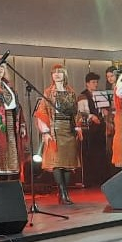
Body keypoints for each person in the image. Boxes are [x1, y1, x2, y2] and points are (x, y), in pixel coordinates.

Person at [35, 65, 81, 204]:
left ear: (64, 74)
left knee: (67, 163)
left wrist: (77, 127)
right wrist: (45, 131)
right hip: (55, 129)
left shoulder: (71, 92)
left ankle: (64, 193)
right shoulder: (48, 92)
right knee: (57, 162)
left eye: (60, 72)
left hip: (68, 128)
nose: (57, 74)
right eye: (54, 73)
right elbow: (42, 112)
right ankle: (62, 192)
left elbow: (76, 112)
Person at [77, 71, 109, 187]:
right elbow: (82, 112)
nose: (95, 84)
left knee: (101, 153)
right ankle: (90, 180)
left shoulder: (100, 95)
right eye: (93, 82)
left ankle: (101, 178)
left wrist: (104, 112)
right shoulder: (83, 96)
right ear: (87, 83)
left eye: (96, 82)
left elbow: (104, 110)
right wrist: (92, 116)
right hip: (89, 129)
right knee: (90, 154)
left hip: (100, 128)